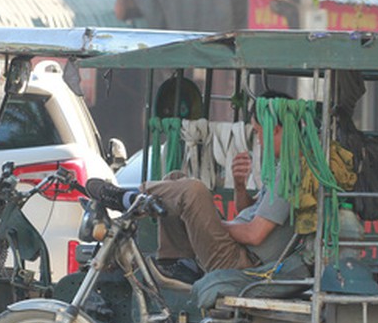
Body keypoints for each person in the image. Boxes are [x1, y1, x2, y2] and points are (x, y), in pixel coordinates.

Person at [88, 90, 295, 281]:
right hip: (235, 248)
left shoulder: (290, 174)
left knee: (193, 191)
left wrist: (206, 224)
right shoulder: (281, 168)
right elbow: (247, 211)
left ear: (275, 130)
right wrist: (240, 186)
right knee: (175, 178)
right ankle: (175, 259)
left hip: (242, 262)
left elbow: (254, 234)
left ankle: (130, 198)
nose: (259, 141)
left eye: (259, 133)